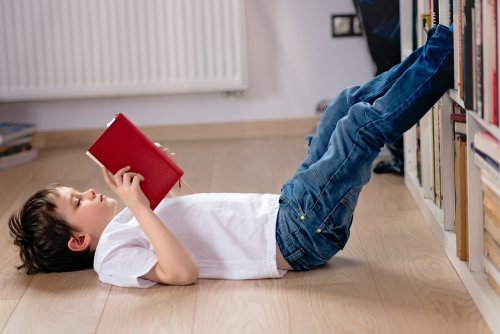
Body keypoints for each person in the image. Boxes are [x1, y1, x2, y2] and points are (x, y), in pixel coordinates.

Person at [8, 25, 454, 288]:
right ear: (78, 241)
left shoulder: (132, 222)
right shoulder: (110, 261)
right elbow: (182, 272)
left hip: (285, 210)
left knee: (341, 107)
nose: (89, 191)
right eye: (77, 201)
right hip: (294, 236)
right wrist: (140, 207)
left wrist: (167, 186)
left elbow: (203, 226)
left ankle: (438, 47)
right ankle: (448, 56)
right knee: (357, 127)